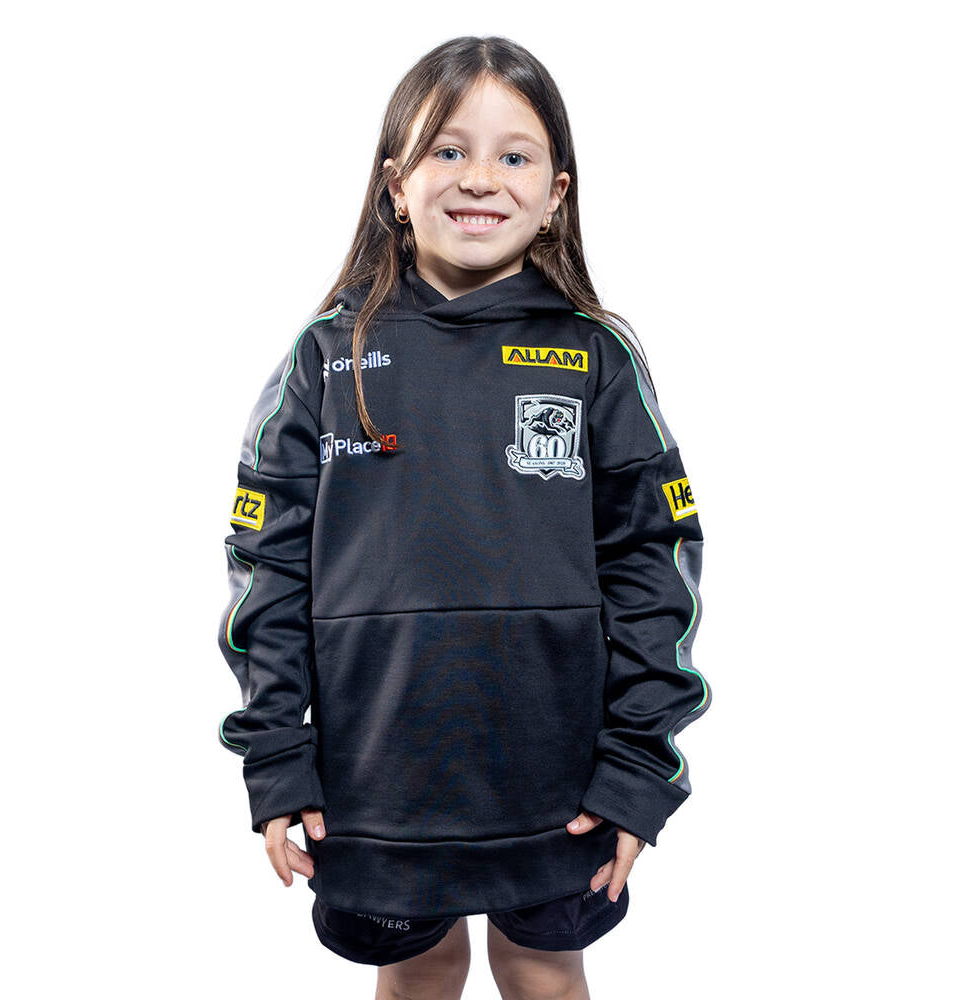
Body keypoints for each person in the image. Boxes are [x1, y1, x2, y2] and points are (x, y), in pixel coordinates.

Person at [216, 35, 711, 1000]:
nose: (480, 178)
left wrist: (637, 767)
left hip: (558, 780)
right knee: (417, 973)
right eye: (448, 150)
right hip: (376, 783)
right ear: (395, 185)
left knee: (543, 971)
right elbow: (263, 572)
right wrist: (276, 758)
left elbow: (658, 564)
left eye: (513, 155)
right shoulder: (325, 359)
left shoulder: (597, 357)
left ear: (555, 194)